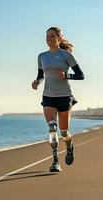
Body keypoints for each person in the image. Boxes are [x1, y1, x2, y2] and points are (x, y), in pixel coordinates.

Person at [32, 27, 84, 172]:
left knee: (64, 132)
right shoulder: (41, 56)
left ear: (59, 38)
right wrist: (37, 82)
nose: (49, 39)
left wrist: (67, 76)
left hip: (64, 97)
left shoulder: (66, 55)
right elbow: (41, 75)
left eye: (52, 36)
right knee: (52, 129)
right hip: (48, 96)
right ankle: (55, 162)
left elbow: (81, 75)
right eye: (47, 37)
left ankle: (69, 146)